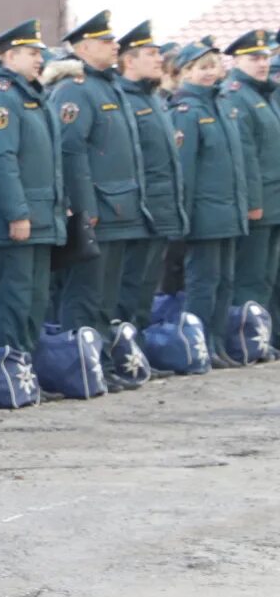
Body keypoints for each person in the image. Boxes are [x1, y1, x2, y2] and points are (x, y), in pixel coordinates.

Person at [49, 11, 148, 387]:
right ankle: (80, 367)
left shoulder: (109, 86)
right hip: (98, 211)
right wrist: (85, 209)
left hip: (119, 207)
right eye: (107, 41)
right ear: (85, 47)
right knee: (85, 294)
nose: (116, 46)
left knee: (106, 297)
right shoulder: (75, 89)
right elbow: (72, 153)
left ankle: (100, 365)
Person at [0, 19, 65, 357]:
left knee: (35, 298)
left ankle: (27, 368)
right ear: (8, 57)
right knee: (13, 297)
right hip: (18, 220)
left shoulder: (33, 96)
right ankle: (8, 364)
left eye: (39, 52)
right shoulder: (1, 98)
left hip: (41, 216)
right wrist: (16, 213)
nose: (39, 59)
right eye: (29, 52)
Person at [171, 43, 251, 358]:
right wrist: (183, 216)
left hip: (229, 210)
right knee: (203, 284)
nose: (209, 73)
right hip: (204, 213)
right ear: (186, 72)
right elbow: (184, 170)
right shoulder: (186, 111)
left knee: (225, 282)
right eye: (201, 67)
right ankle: (198, 345)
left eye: (213, 66)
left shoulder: (222, 105)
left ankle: (216, 343)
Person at [114, 22, 185, 329]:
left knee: (145, 288)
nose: (159, 60)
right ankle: (122, 353)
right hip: (137, 210)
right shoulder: (124, 99)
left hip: (159, 208)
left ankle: (137, 352)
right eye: (151, 54)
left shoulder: (152, 99)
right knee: (126, 288)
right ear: (129, 61)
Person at [222, 30, 280, 324]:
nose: (262, 63)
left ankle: (266, 335)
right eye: (254, 58)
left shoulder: (263, 94)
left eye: (265, 57)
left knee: (268, 277)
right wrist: (253, 204)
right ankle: (246, 335)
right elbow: (246, 159)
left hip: (274, 202)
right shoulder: (237, 96)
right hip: (258, 205)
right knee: (251, 278)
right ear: (236, 61)